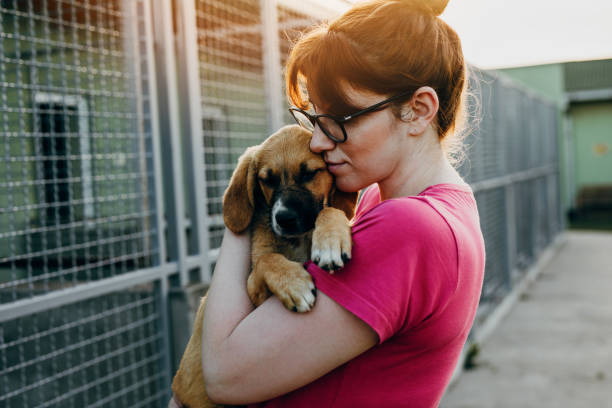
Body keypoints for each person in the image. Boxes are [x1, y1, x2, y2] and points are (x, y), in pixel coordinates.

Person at [201, 0, 485, 407]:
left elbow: (225, 376)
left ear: (418, 111)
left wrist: (248, 206)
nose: (318, 141)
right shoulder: (411, 204)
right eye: (314, 118)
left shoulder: (408, 227)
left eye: (341, 119)